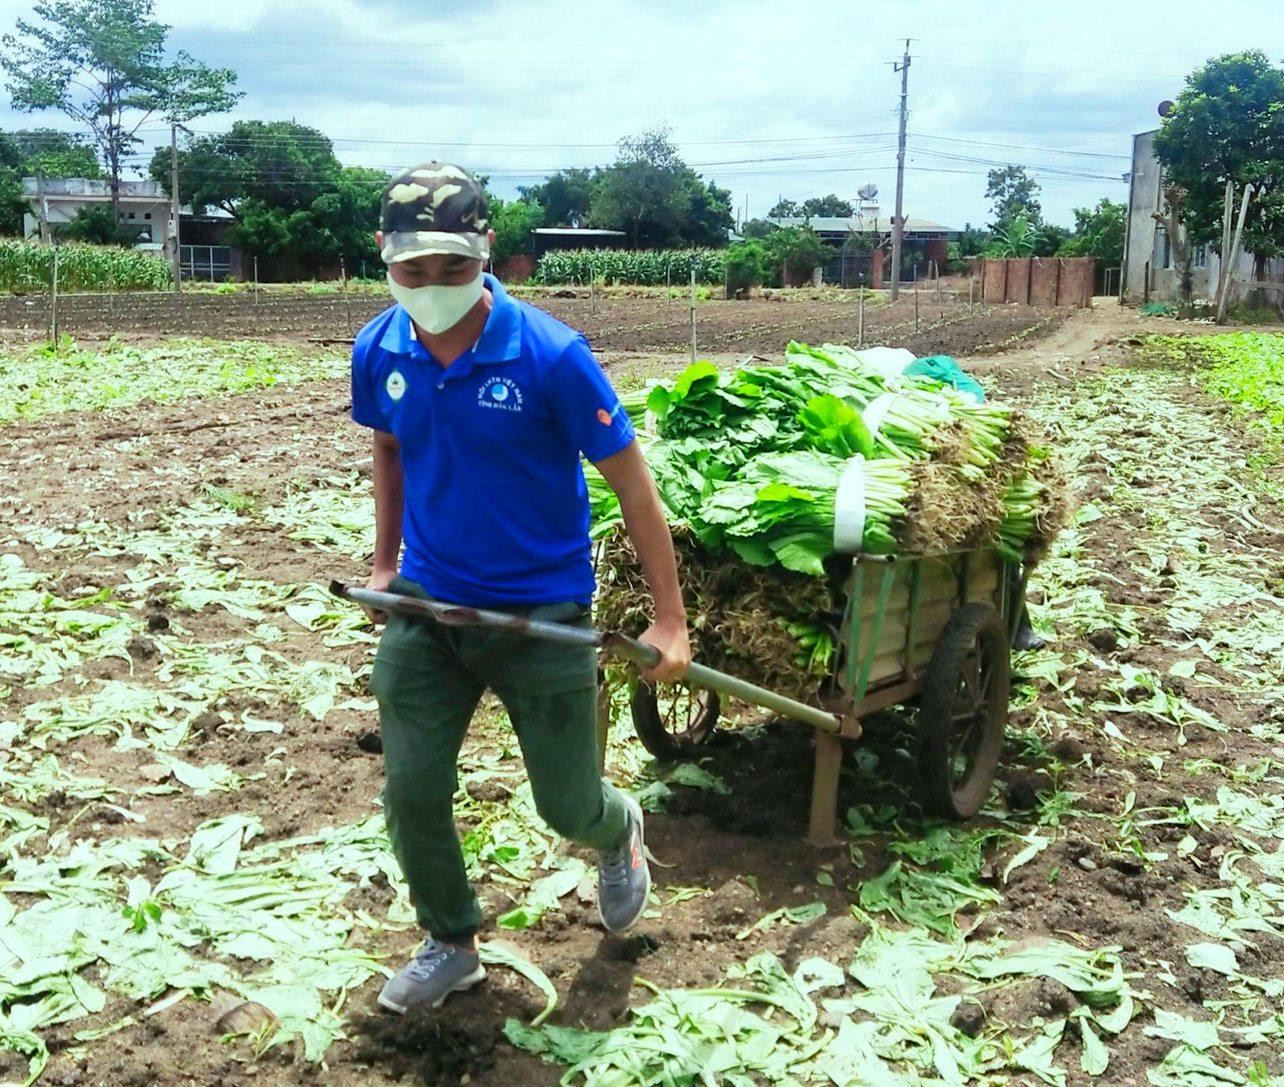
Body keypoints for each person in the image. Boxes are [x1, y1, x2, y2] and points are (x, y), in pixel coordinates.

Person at [350, 162, 691, 1015]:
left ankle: (619, 830)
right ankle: (451, 939)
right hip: (431, 609)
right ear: (384, 259)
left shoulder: (550, 356)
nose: (432, 288)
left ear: (487, 252)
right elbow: (390, 449)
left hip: (542, 612)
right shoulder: (378, 347)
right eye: (412, 271)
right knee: (411, 789)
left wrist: (670, 619)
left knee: (565, 801)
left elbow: (631, 484)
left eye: (452, 268)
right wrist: (386, 563)